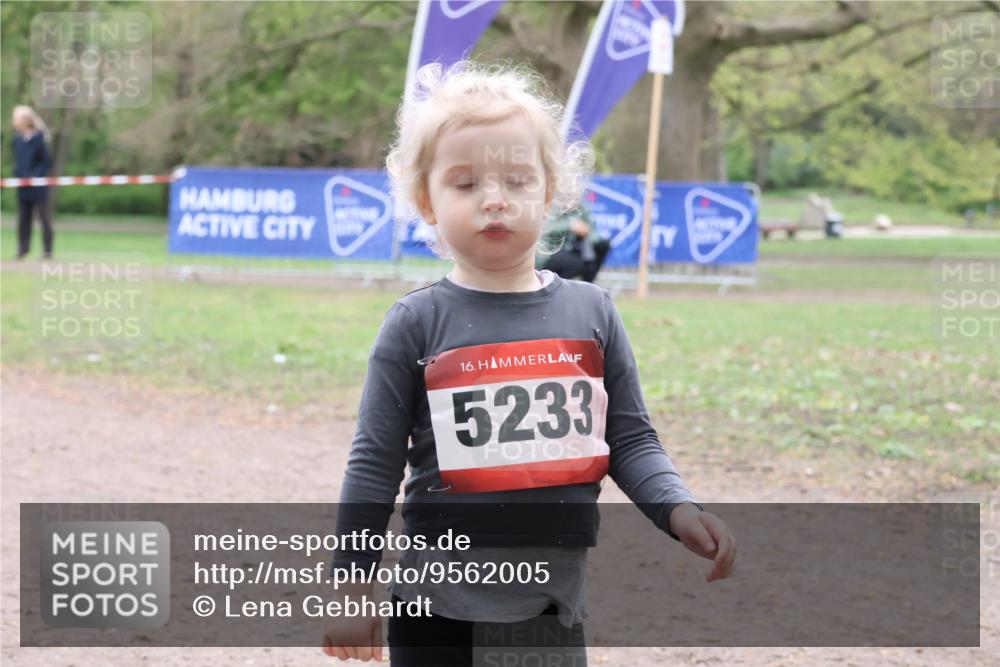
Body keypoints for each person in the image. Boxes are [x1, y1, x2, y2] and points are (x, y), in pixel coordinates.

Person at [322, 61, 736, 666]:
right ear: (425, 200)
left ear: (549, 191)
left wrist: (679, 508)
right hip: (434, 611)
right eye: (465, 184)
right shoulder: (414, 323)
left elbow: (629, 438)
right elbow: (373, 467)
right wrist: (353, 583)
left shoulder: (592, 312)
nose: (495, 200)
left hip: (551, 606)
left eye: (517, 180)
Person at [11, 105, 54, 260]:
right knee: (23, 219)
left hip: (38, 186)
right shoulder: (17, 139)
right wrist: (19, 175)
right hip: (23, 186)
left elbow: (46, 162)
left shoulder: (39, 138)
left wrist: (35, 176)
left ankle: (47, 251)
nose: (14, 121)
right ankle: (23, 249)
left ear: (25, 120)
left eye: (16, 117)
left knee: (44, 218)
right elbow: (18, 162)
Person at [537, 205, 611, 283]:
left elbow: (593, 232)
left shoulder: (581, 206)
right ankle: (556, 286)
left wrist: (585, 232)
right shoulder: (552, 204)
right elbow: (546, 228)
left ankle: (589, 285)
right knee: (577, 263)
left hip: (573, 250)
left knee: (604, 246)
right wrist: (569, 226)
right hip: (549, 251)